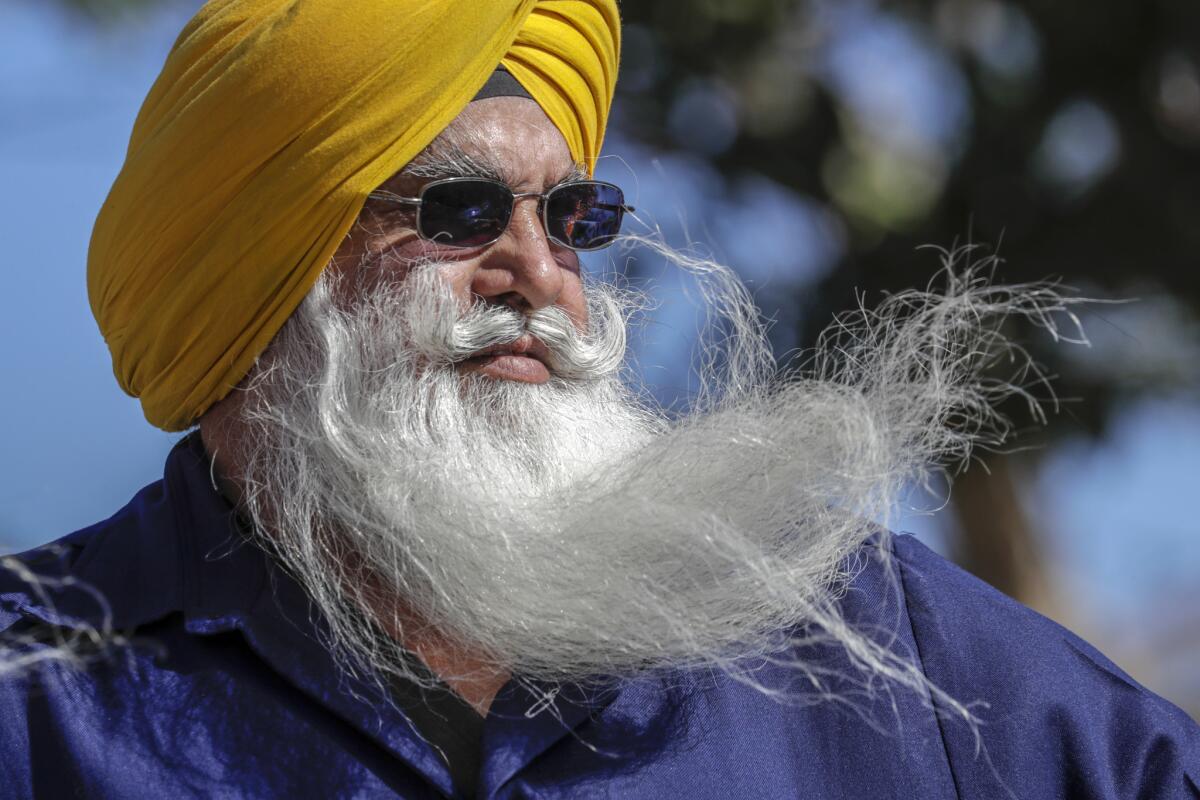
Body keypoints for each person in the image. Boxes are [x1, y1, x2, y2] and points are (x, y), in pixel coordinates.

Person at [1, 1, 1197, 798]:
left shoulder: (866, 628)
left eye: (572, 220)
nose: (537, 273)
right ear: (266, 268)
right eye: (458, 212)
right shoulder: (38, 686)